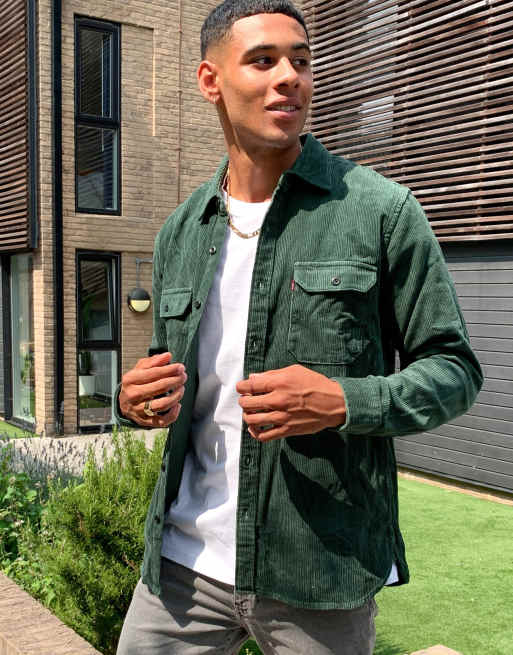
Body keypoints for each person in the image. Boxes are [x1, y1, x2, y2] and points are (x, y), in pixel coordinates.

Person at [115, 1, 483, 653]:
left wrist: (343, 400)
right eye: (262, 60)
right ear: (210, 81)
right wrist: (136, 400)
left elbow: (454, 371)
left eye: (301, 61)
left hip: (319, 569)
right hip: (181, 564)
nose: (289, 76)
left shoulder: (380, 211)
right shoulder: (181, 229)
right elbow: (173, 381)